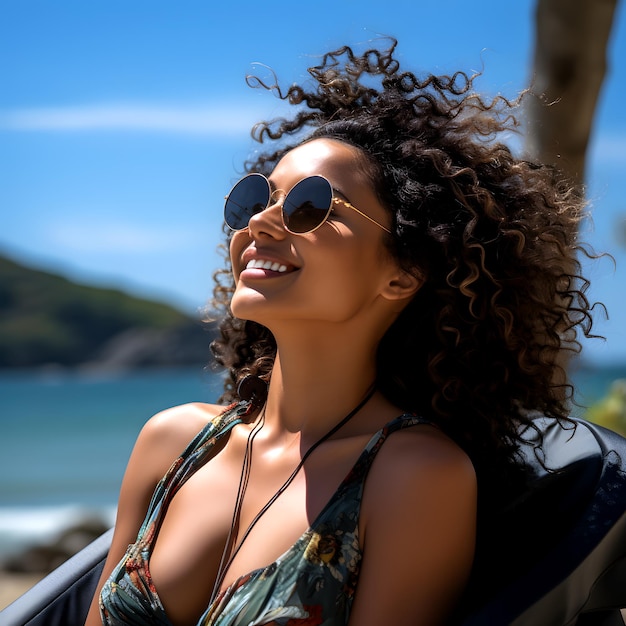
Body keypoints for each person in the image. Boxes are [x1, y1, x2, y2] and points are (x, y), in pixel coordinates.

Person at [85, 39, 597, 626]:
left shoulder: (413, 476)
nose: (259, 221)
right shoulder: (172, 442)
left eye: (310, 205)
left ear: (404, 274)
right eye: (258, 197)